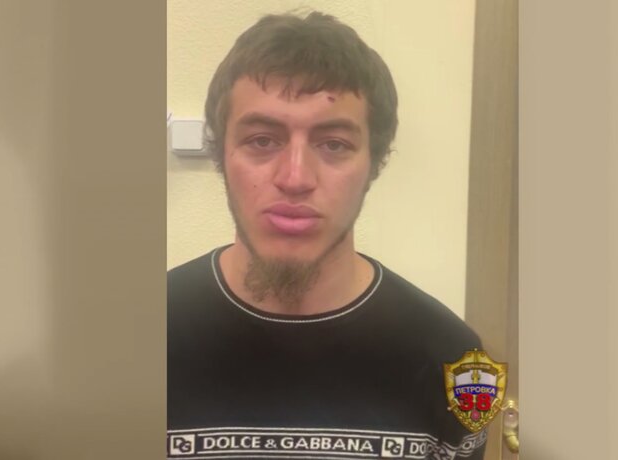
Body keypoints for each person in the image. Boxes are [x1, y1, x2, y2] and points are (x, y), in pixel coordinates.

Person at [168, 11, 488, 459]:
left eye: (333, 144)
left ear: (375, 162)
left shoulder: (452, 358)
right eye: (262, 140)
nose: (295, 178)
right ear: (221, 152)